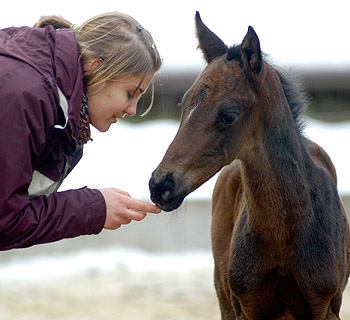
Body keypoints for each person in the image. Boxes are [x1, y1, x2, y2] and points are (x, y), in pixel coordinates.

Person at [0, 11, 162, 250]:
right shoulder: (25, 97)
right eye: (130, 93)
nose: (132, 110)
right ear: (94, 69)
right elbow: (5, 221)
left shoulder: (56, 103)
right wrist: (93, 207)